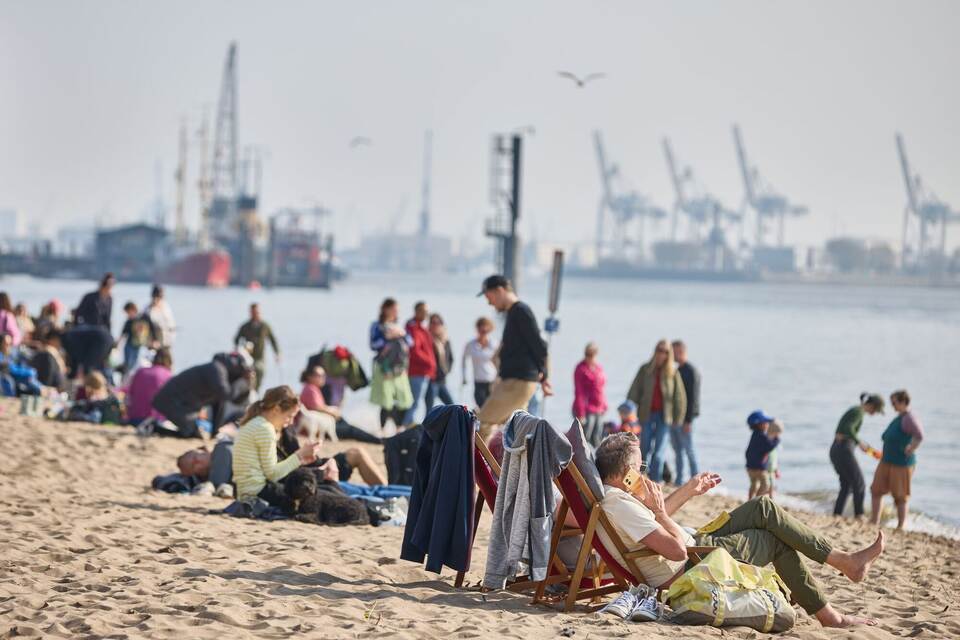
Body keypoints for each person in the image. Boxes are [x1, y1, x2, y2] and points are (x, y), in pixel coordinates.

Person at [595, 432, 885, 628]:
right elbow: (675, 550)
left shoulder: (617, 498)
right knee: (773, 542)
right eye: (640, 466)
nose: (643, 472)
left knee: (763, 507)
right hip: (693, 563)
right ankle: (831, 610)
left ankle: (844, 563)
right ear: (625, 474)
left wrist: (688, 491)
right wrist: (657, 510)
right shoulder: (619, 504)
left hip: (695, 542)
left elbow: (651, 529)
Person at [476, 275, 550, 441]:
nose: (489, 303)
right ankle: (511, 466)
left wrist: (545, 376)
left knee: (483, 425)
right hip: (515, 381)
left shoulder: (521, 311)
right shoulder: (514, 313)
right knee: (515, 431)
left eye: (489, 297)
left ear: (500, 291)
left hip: (518, 382)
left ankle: (477, 466)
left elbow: (539, 345)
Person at [231, 385, 322, 512]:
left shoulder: (253, 423)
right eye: (289, 416)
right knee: (309, 500)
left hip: (245, 490)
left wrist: (300, 459)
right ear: (276, 409)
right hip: (257, 491)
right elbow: (273, 474)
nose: (290, 422)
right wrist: (299, 456)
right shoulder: (265, 429)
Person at [151, 352, 253, 438]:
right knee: (189, 432)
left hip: (180, 404)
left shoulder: (220, 371)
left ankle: (155, 428)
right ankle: (154, 428)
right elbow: (226, 395)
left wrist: (214, 432)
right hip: (171, 401)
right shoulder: (217, 369)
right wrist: (242, 382)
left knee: (193, 433)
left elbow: (226, 402)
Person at [626, 339, 686, 482]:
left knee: (659, 453)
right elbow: (634, 391)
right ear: (655, 351)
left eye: (665, 352)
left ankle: (655, 481)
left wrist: (679, 418)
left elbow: (680, 396)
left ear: (669, 354)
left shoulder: (672, 373)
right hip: (646, 415)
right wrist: (629, 411)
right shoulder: (645, 369)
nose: (662, 354)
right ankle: (640, 479)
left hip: (664, 418)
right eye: (660, 350)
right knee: (644, 449)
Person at [870, 390, 924, 530]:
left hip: (901, 464)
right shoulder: (900, 417)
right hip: (886, 460)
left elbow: (919, 435)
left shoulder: (909, 418)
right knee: (876, 490)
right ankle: (874, 521)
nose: (892, 405)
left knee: (900, 496)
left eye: (894, 402)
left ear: (903, 402)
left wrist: (911, 448)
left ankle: (901, 526)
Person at [831, 393, 885, 518]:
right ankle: (859, 514)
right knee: (859, 483)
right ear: (872, 405)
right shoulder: (859, 412)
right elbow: (848, 429)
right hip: (844, 449)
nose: (875, 413)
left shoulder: (855, 410)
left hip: (836, 449)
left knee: (846, 484)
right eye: (876, 410)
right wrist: (859, 442)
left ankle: (837, 514)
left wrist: (861, 444)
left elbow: (845, 430)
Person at [299, 365, 381, 444]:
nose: (324, 378)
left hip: (322, 424)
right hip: (320, 428)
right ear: (310, 377)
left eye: (324, 375)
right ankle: (379, 441)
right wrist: (334, 412)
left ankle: (378, 439)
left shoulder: (311, 388)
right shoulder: (310, 389)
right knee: (351, 430)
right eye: (320, 375)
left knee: (349, 426)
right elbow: (317, 408)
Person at [369, 298, 414, 431]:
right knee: (386, 401)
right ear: (385, 309)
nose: (396, 312)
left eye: (397, 310)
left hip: (400, 368)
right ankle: (382, 430)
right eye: (394, 309)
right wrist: (387, 339)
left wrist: (401, 333)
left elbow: (411, 343)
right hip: (384, 367)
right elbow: (373, 345)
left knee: (404, 399)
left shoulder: (399, 325)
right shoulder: (376, 325)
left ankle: (399, 427)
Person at [670, 340, 700, 486]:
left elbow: (693, 398)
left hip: (686, 419)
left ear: (681, 351)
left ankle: (697, 477)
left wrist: (688, 420)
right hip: (675, 419)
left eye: (674, 352)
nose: (673, 355)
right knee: (678, 451)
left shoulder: (691, 371)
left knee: (689, 450)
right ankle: (679, 480)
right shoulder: (677, 370)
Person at [403, 301, 437, 425]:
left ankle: (414, 425)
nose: (426, 314)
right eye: (424, 311)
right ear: (417, 311)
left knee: (424, 401)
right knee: (415, 401)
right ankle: (406, 425)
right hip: (418, 371)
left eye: (427, 311)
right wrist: (429, 363)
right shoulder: (412, 328)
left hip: (426, 371)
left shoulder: (422, 328)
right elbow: (414, 350)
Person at [234, 303, 280, 391]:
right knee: (248, 375)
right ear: (250, 312)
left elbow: (273, 340)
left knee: (259, 371)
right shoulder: (245, 326)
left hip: (260, 357)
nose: (255, 314)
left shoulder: (265, 326)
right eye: (253, 312)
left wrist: (277, 353)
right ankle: (249, 392)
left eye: (257, 312)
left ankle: (255, 391)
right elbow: (236, 340)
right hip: (247, 357)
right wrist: (239, 349)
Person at [572, 341, 607, 447]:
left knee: (597, 437)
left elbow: (601, 389)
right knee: (585, 436)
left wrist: (604, 405)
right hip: (586, 408)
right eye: (587, 354)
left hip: (599, 408)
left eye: (592, 355)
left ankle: (596, 460)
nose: (589, 357)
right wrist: (581, 413)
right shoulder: (581, 369)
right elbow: (579, 392)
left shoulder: (598, 369)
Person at [126, 348, 174, 424]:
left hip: (134, 418)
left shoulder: (140, 371)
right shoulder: (168, 375)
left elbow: (130, 393)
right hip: (155, 421)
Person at [462, 316, 498, 408]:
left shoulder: (494, 344)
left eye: (485, 331)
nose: (483, 333)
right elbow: (464, 360)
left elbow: (500, 361)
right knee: (481, 406)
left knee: (493, 407)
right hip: (478, 381)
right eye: (481, 331)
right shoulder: (471, 344)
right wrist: (464, 376)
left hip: (492, 380)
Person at [745, 410, 779, 498]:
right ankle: (755, 501)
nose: (767, 424)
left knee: (754, 484)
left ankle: (750, 499)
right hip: (759, 468)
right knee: (765, 485)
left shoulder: (754, 435)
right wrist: (776, 439)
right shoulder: (761, 436)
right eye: (766, 423)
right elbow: (770, 446)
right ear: (759, 424)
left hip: (750, 467)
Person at [118, 301, 158, 376]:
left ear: (132, 309)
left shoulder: (144, 317)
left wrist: (155, 340)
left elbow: (153, 328)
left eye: (128, 312)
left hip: (143, 345)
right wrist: (117, 345)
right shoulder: (129, 321)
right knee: (128, 365)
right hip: (130, 345)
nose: (127, 315)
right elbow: (123, 334)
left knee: (141, 364)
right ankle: (127, 379)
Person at [425, 313, 454, 410]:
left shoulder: (445, 341)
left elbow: (450, 359)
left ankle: (451, 424)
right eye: (433, 322)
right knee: (429, 408)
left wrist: (446, 371)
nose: (435, 325)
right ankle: (426, 425)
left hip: (442, 380)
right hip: (431, 381)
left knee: (452, 406)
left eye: (438, 323)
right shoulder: (427, 340)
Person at [766, 419, 783, 498]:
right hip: (765, 468)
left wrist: (776, 470)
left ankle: (771, 498)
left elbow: (776, 458)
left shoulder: (776, 444)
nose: (778, 436)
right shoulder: (766, 441)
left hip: (772, 468)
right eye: (776, 434)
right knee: (766, 485)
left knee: (772, 485)